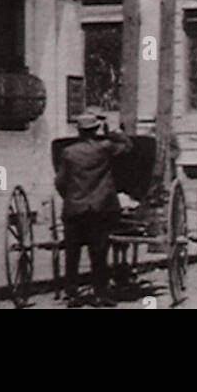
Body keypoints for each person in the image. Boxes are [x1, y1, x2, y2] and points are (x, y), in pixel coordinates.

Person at [55, 114, 132, 307]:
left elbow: (60, 181)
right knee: (98, 253)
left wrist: (71, 198)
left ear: (79, 131)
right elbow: (128, 147)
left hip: (74, 209)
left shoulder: (68, 152)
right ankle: (100, 294)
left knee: (72, 253)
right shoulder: (105, 148)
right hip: (100, 208)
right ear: (96, 130)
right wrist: (115, 131)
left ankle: (72, 294)